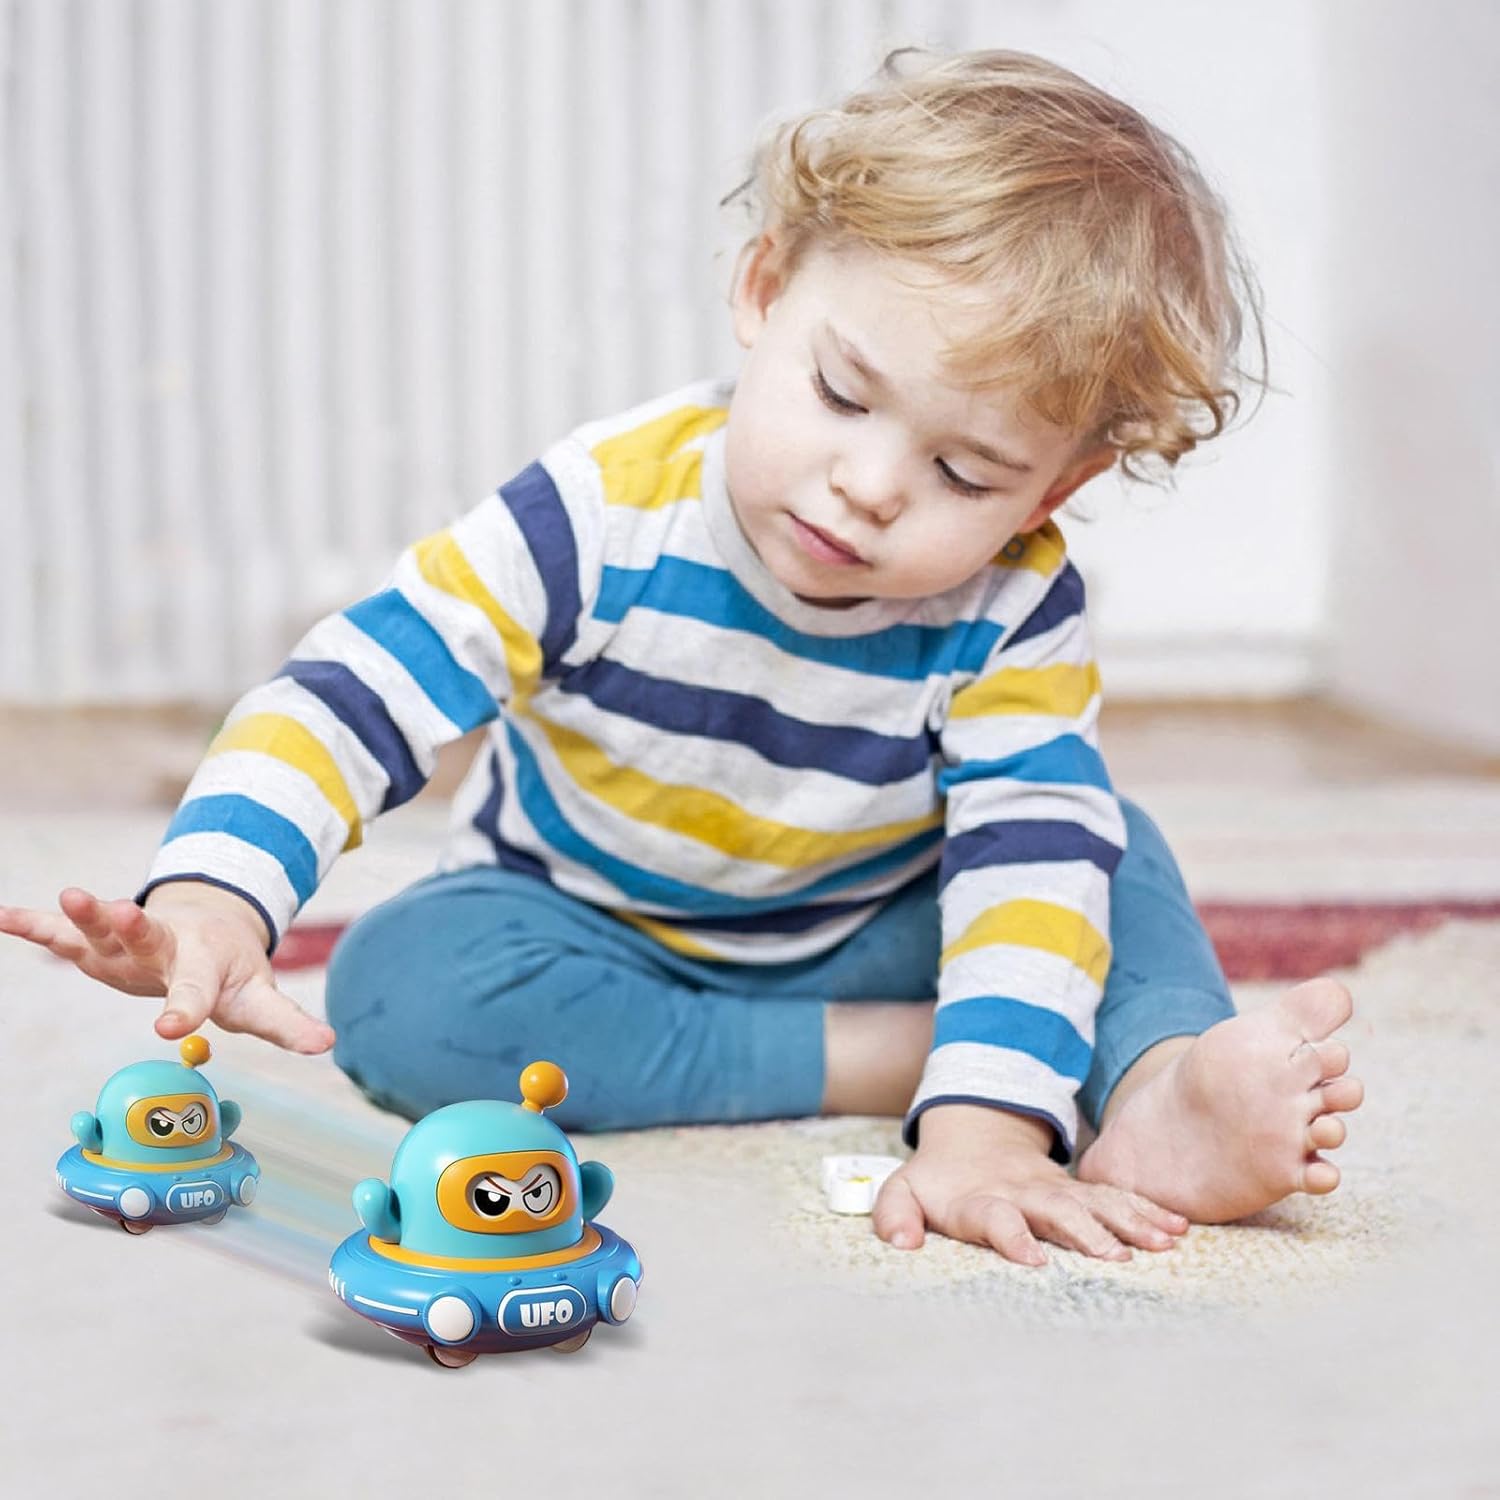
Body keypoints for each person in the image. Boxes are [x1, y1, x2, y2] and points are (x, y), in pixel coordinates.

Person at [0, 49, 1361, 1266]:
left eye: (964, 472)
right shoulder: (598, 513)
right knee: (400, 996)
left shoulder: (1014, 602)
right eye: (841, 394)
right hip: (587, 927)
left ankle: (1156, 1086)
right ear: (763, 290)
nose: (869, 486)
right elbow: (353, 697)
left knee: (1101, 853)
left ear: (1053, 489)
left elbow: (1025, 861)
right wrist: (216, 898)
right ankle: (923, 1058)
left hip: (878, 923)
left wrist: (987, 1139)